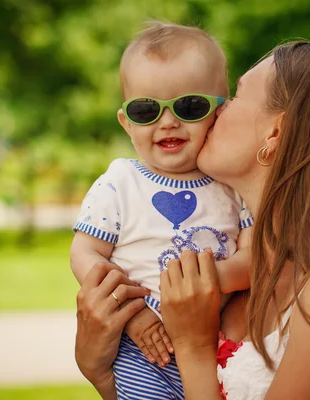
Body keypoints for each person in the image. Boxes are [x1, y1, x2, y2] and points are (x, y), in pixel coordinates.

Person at [75, 40, 310, 400]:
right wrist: (104, 376)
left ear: (275, 133)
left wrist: (192, 345)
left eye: (234, 97)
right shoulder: (239, 278)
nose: (214, 111)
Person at [70, 22, 253, 400]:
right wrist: (133, 314)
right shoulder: (119, 182)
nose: (167, 121)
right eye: (145, 110)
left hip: (214, 346)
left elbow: (255, 258)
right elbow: (85, 252)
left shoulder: (232, 186)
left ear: (221, 112)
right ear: (126, 122)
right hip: (139, 349)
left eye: (189, 106)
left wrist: (208, 281)